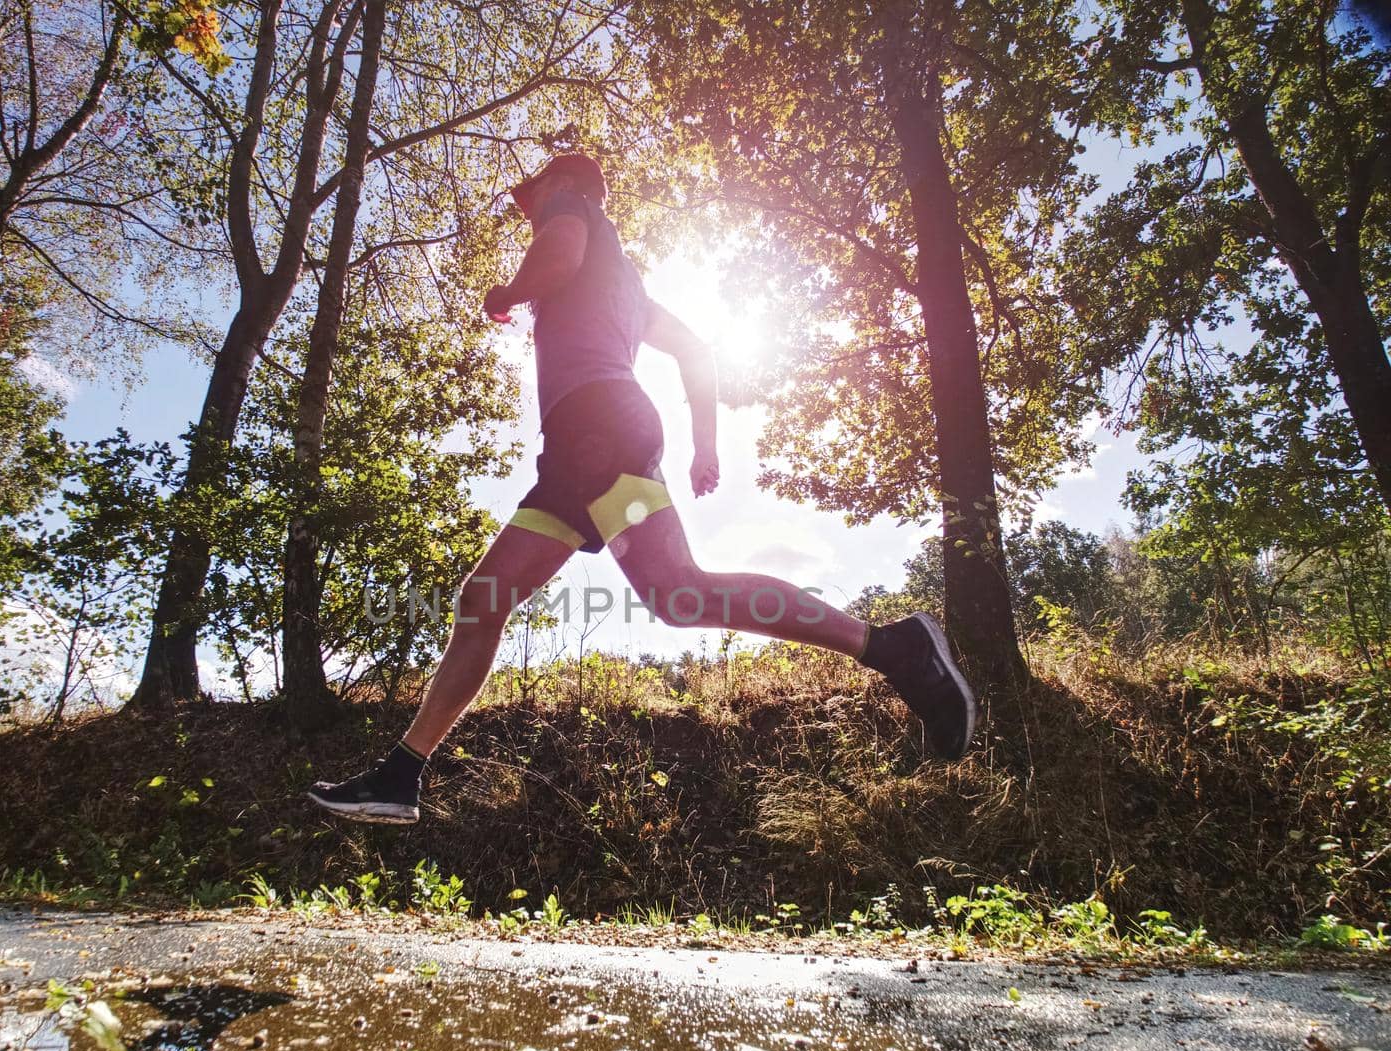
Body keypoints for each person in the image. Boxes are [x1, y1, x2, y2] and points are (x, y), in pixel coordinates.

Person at [307, 153, 976, 825]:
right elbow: (696, 350)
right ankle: (399, 776)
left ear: (561, 186)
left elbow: (559, 258)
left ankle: (895, 648)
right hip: (591, 446)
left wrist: (508, 294)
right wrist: (704, 444)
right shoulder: (628, 281)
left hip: (595, 433)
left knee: (659, 591)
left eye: (532, 200)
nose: (530, 213)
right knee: (532, 597)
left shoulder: (572, 211)